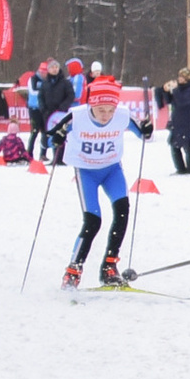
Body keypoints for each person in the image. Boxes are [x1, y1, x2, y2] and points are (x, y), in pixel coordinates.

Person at [56, 75, 154, 289]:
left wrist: (147, 130)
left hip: (111, 170)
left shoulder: (122, 115)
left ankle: (109, 266)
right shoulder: (78, 116)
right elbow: (55, 133)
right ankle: (73, 270)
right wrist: (56, 137)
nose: (106, 116)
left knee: (122, 211)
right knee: (93, 221)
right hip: (86, 172)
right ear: (91, 105)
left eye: (110, 110)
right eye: (101, 110)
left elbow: (143, 134)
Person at [165, 68, 190, 174]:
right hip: (177, 120)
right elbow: (171, 101)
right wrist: (166, 92)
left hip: (188, 121)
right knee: (174, 145)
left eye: (182, 77)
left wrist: (175, 90)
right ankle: (180, 168)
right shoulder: (179, 89)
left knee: (187, 146)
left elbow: (182, 101)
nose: (179, 79)